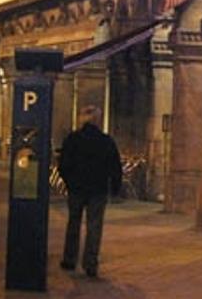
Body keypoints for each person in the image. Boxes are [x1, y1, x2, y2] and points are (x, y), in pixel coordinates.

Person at [57, 105, 122, 277]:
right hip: (98, 190)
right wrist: (115, 187)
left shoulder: (72, 139)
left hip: (77, 189)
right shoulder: (106, 141)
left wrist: (69, 182)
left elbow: (63, 164)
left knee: (73, 223)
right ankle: (90, 263)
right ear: (98, 120)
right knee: (94, 226)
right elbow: (115, 166)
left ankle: (69, 259)